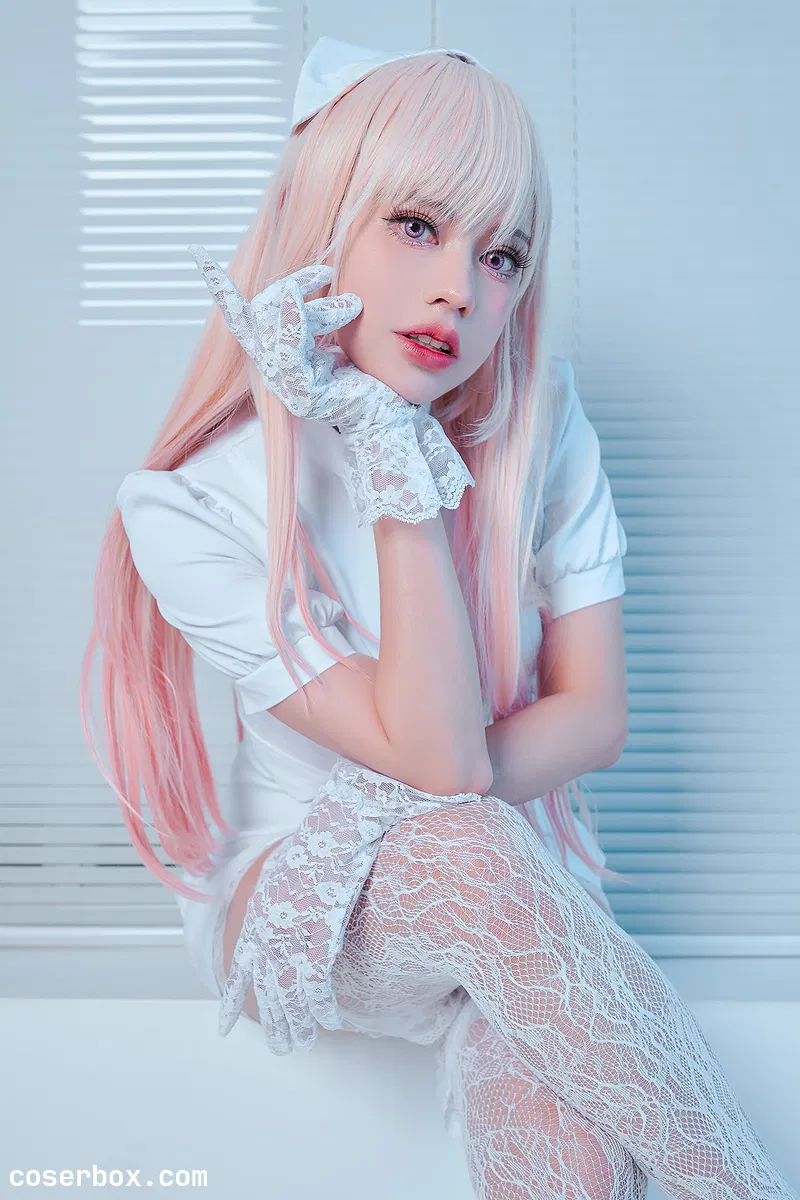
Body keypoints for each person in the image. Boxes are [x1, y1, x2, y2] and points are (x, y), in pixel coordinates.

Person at [80, 35, 796, 1200]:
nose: (462, 288)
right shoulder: (186, 505)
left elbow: (594, 715)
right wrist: (384, 450)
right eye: (416, 225)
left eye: (501, 254)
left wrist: (430, 798)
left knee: (564, 1133)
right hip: (307, 897)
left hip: (509, 880)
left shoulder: (537, 419)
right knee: (461, 840)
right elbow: (442, 764)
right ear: (321, 219)